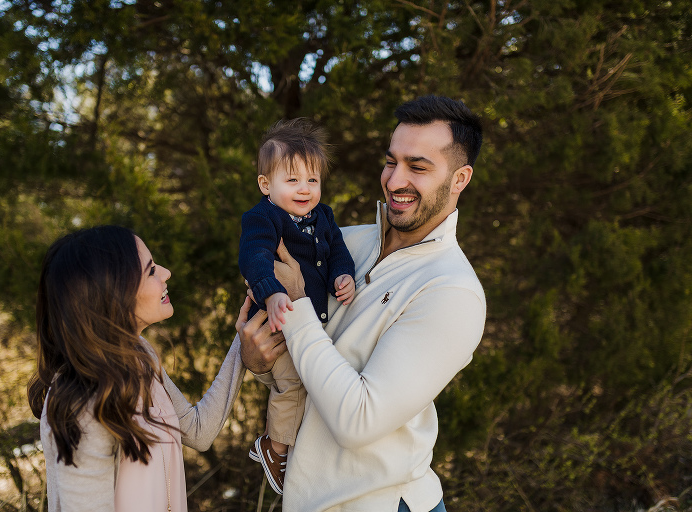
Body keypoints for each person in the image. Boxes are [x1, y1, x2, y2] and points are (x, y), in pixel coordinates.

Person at [239, 95, 487, 512]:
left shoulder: (451, 291)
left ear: (460, 178)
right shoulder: (345, 242)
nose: (394, 180)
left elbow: (358, 422)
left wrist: (298, 304)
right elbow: (305, 372)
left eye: (418, 167)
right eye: (392, 162)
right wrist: (260, 363)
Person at [27, 225, 282, 512]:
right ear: (113, 292)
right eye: (150, 271)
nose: (165, 273)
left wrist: (245, 340)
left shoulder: (139, 355)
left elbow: (198, 431)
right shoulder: (80, 404)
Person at [238, 118, 356, 494]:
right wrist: (272, 290)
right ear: (265, 185)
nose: (304, 189)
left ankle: (287, 444)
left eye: (312, 180)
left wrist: (343, 275)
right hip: (277, 317)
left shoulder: (324, 216)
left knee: (303, 383)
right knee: (293, 384)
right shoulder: (262, 217)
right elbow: (254, 256)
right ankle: (274, 448)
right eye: (292, 181)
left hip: (306, 325)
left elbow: (337, 248)